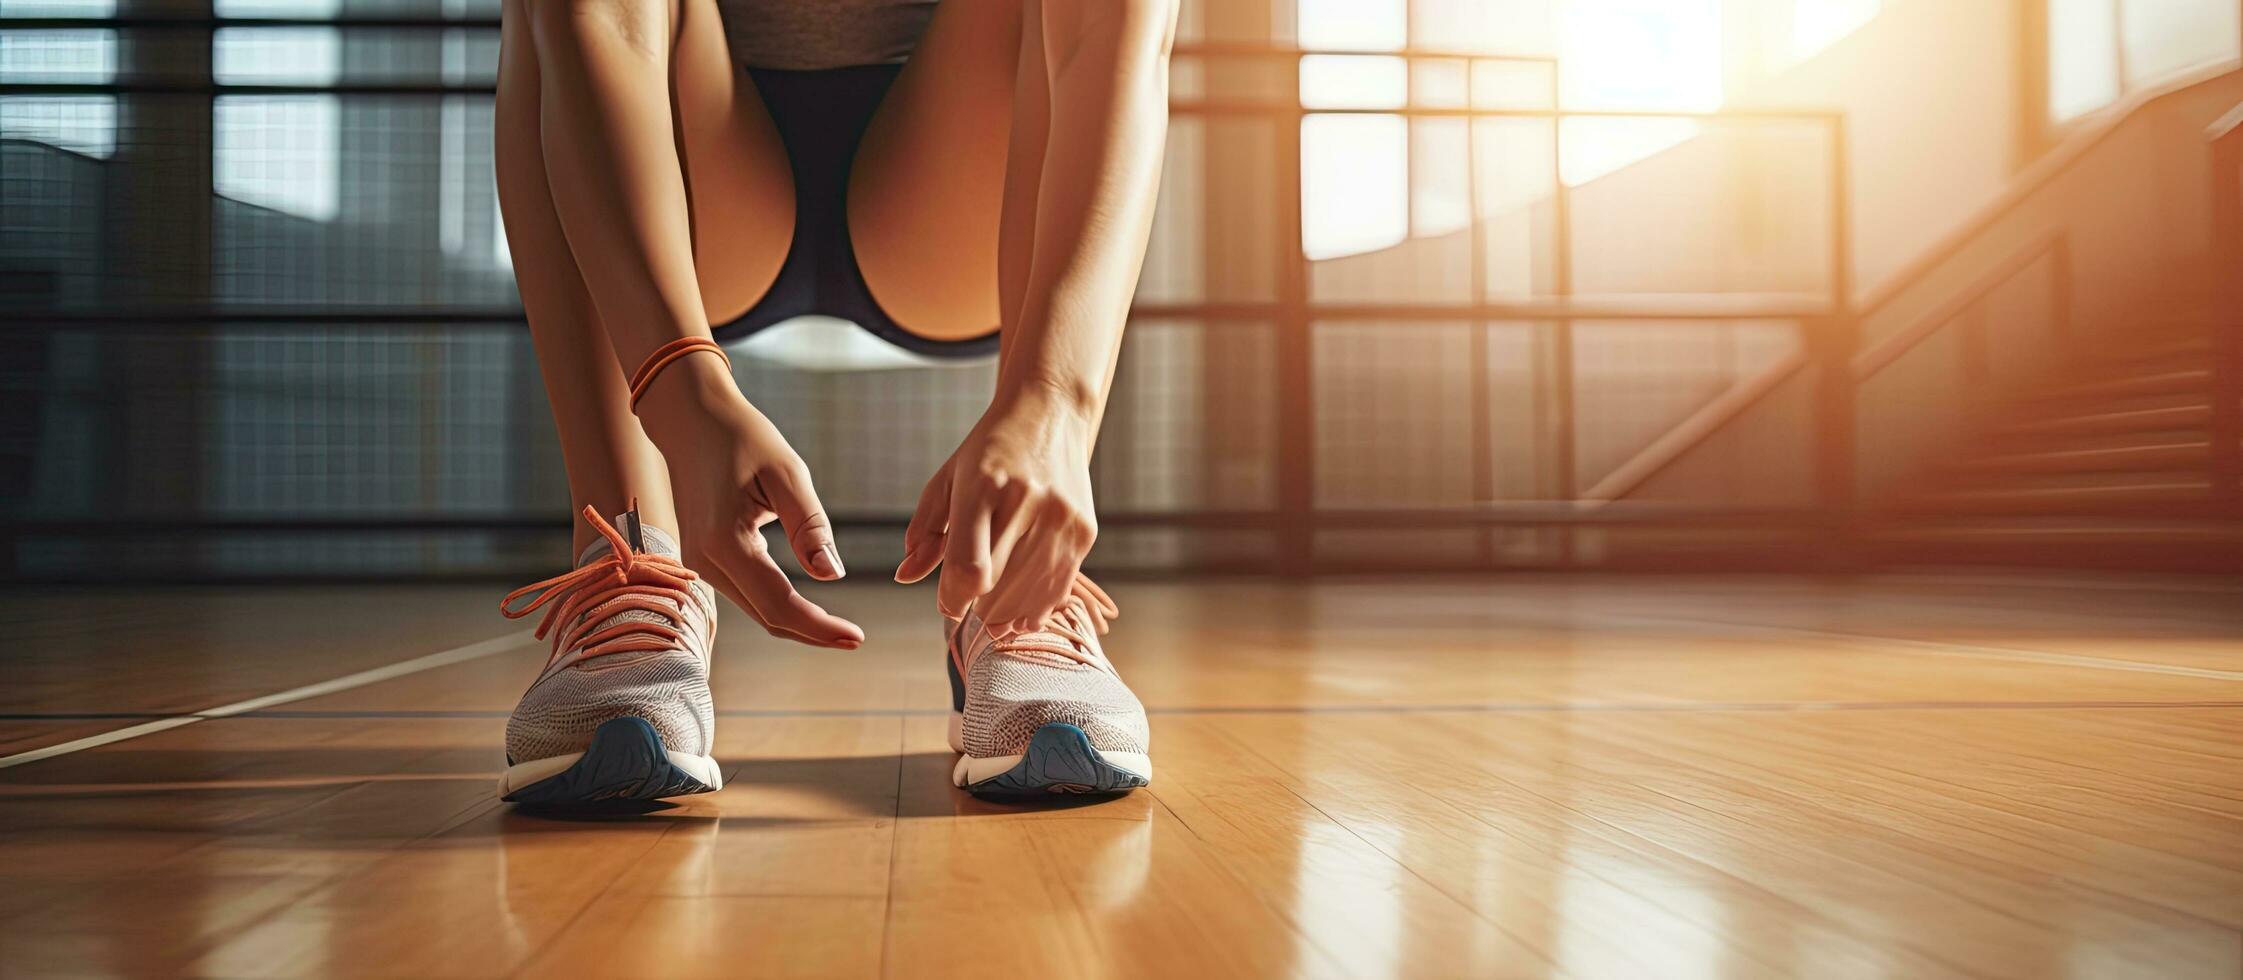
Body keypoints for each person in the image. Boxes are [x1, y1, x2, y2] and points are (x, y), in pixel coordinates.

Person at [486, 0, 1175, 803]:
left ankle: (1020, 584)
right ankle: (628, 556)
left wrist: (1057, 405)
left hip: (951, 175)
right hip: (694, 157)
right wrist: (679, 389)